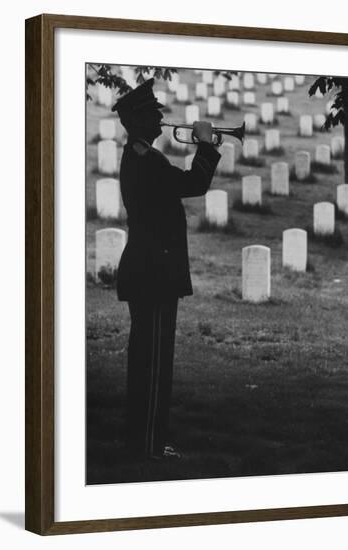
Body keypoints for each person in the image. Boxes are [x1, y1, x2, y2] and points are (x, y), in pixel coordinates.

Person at [112, 77, 221, 460]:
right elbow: (194, 183)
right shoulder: (146, 161)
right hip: (153, 274)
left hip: (149, 270)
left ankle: (146, 441)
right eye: (153, 117)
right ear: (139, 122)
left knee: (149, 360)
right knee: (153, 365)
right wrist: (206, 143)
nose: (160, 123)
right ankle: (148, 448)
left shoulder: (142, 156)